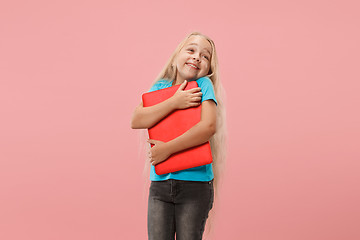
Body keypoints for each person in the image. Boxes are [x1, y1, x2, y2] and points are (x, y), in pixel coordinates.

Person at [131, 31, 227, 240]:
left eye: (205, 56)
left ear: (209, 68)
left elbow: (208, 127)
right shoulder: (160, 87)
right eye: (191, 50)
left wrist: (167, 149)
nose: (196, 57)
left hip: (196, 186)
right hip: (160, 186)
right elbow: (136, 119)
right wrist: (175, 101)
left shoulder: (203, 86)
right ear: (175, 58)